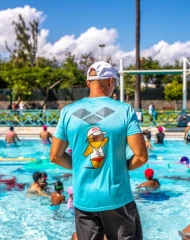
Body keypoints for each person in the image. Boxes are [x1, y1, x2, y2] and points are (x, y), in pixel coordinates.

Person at [50, 61, 147, 240]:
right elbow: (141, 156)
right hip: (117, 198)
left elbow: (55, 156)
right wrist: (121, 166)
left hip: (83, 199)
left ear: (88, 82)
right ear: (111, 81)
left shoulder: (68, 112)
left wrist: (80, 166)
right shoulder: (125, 110)